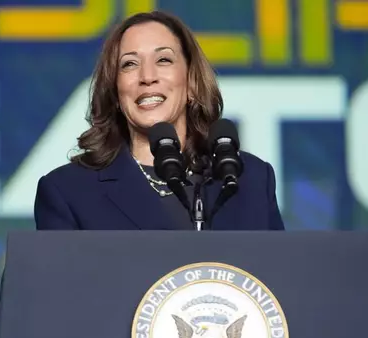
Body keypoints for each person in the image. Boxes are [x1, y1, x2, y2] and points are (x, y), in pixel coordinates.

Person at [34, 10, 284, 231]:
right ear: (116, 92)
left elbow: (280, 279)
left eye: (163, 60)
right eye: (129, 64)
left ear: (191, 83)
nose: (147, 76)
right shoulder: (69, 192)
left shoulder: (250, 179)